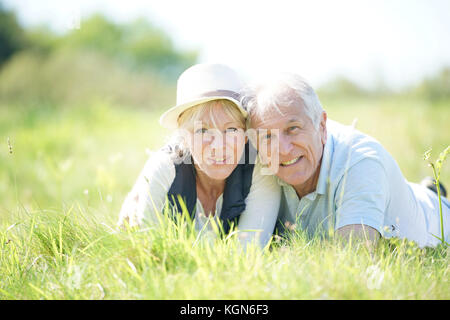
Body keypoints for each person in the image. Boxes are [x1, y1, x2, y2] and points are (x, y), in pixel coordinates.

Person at [243, 72, 449, 248]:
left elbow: (352, 258)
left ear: (322, 126)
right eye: (268, 136)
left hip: (437, 220)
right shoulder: (259, 157)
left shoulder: (361, 162)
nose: (284, 149)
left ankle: (431, 193)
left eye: (293, 129)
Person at [117, 63, 280, 247]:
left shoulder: (260, 169)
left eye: (231, 129)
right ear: (184, 136)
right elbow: (146, 248)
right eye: (202, 130)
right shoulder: (165, 167)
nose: (219, 146)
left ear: (245, 134)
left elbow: (250, 252)